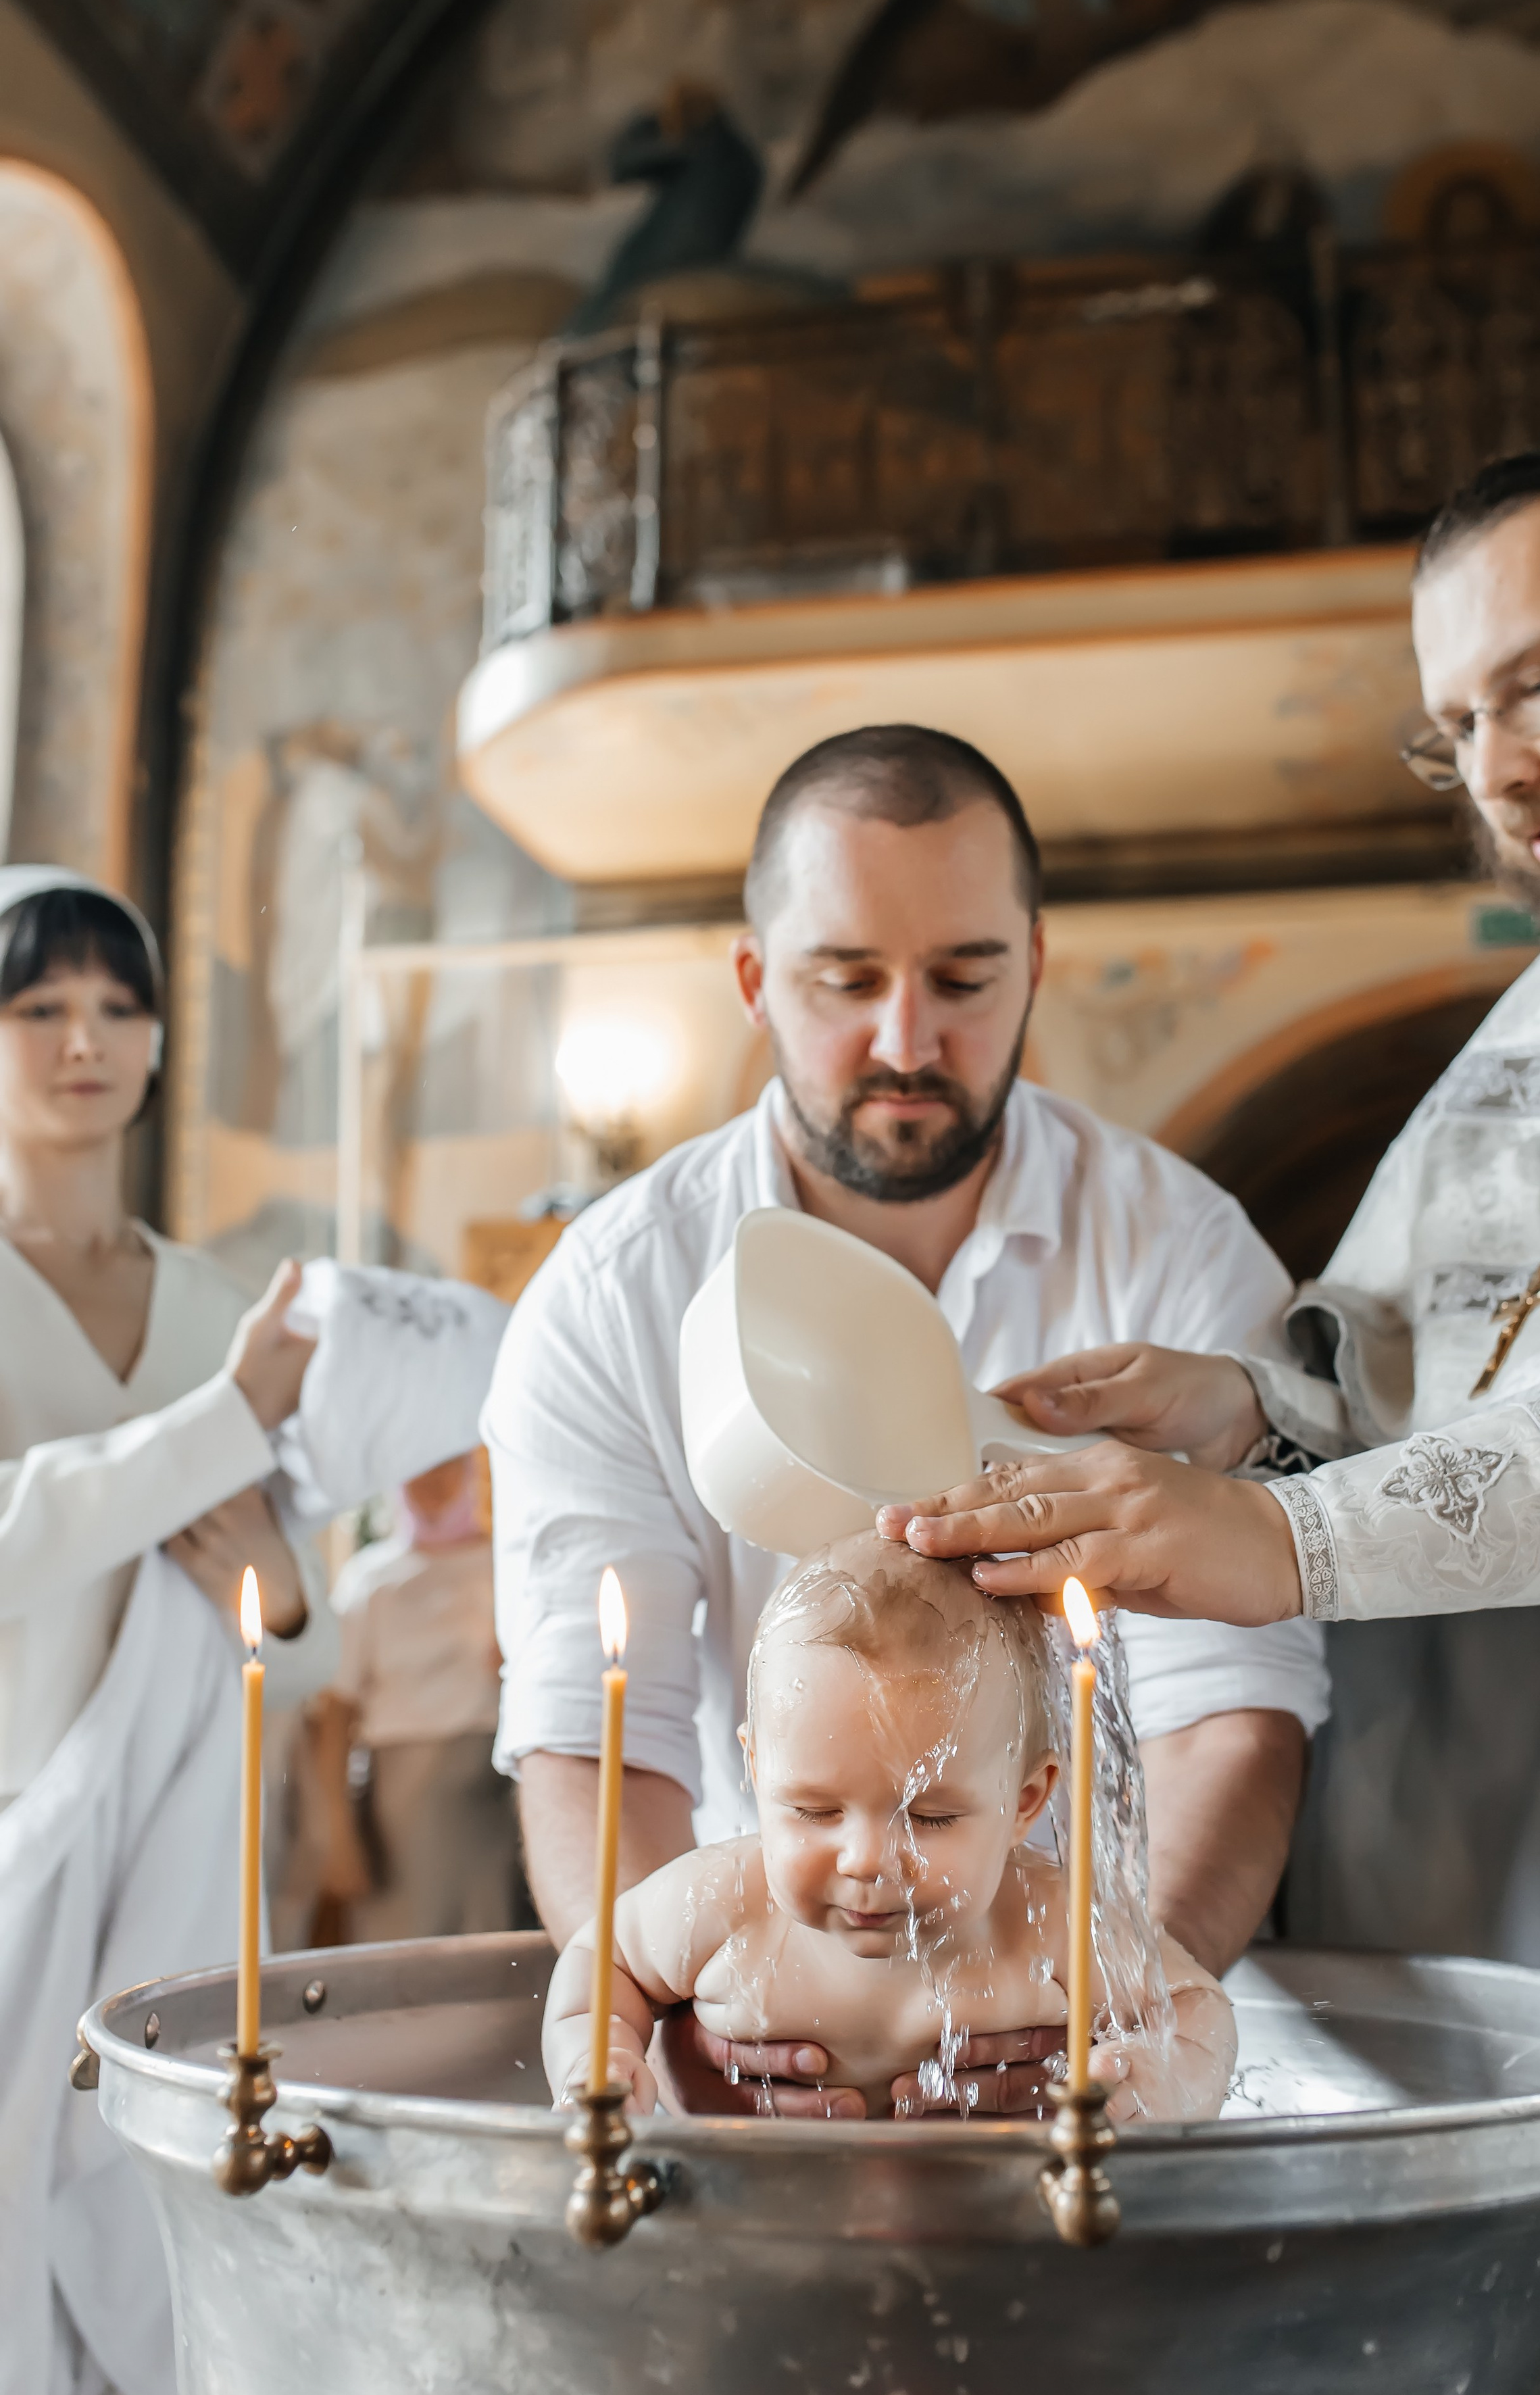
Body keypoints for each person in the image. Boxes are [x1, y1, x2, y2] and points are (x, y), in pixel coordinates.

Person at [876, 445, 1540, 2395]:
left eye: (1537, 676)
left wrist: (1273, 1540)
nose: (1500, 772)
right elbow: (1425, 1349)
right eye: (1453, 728)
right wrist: (1249, 1406)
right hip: (1519, 1927)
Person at [484, 722, 1329, 2120]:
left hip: (1061, 2023)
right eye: (845, 980)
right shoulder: (607, 1295)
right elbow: (600, 1722)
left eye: (961, 977)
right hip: (755, 2010)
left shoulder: (1179, 1255)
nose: (904, 1039)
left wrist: (1104, 2019)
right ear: (755, 981)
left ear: (1034, 967)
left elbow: (1227, 1716)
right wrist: (685, 2017)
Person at [0, 866, 335, 2395]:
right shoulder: (235, 1365)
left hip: (186, 1839)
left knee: (163, 2201)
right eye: (40, 1005)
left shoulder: (221, 1304)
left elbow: (301, 1629)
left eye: (118, 1005)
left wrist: (280, 1587)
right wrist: (216, 1423)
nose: (86, 1040)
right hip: (9, 1831)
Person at [542, 1531, 1235, 2125]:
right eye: (814, 1811)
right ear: (755, 1769)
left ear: (1025, 1802)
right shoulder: (721, 1903)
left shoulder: (1048, 1918)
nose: (867, 1859)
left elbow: (1195, 2006)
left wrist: (1160, 2080)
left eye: (930, 1818)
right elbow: (602, 1960)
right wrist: (602, 2054)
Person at [330, 1449, 518, 1941]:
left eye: (444, 1465)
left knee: (494, 1930)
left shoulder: (509, 1566)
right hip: (404, 1805)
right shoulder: (370, 1580)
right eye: (413, 1469)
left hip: (494, 1787)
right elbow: (333, 1715)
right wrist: (333, 1829)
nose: (429, 1482)